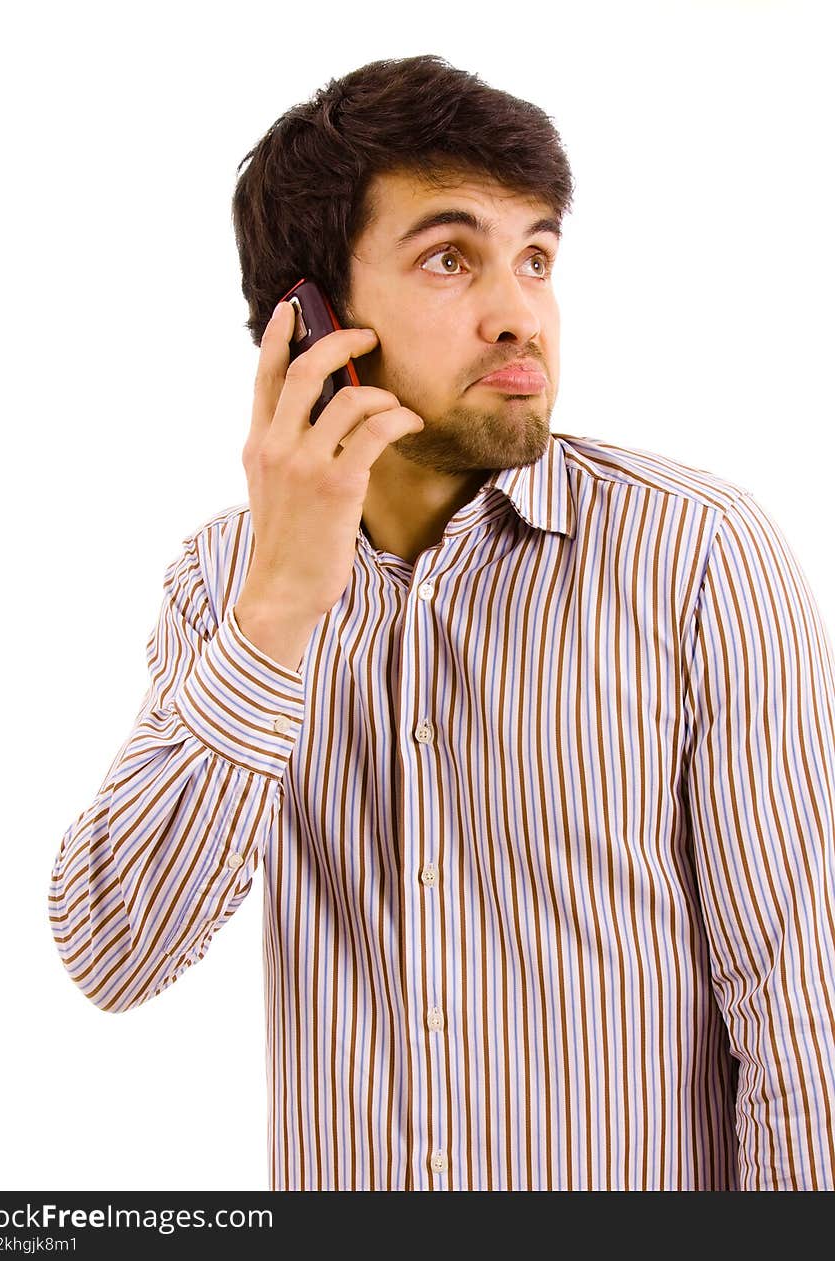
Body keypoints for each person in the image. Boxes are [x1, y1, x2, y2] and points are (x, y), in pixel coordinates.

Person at [48, 53, 835, 1192]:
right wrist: (278, 609)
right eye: (450, 258)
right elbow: (116, 950)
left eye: (536, 258)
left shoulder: (697, 554)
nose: (518, 313)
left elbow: (801, 995)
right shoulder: (226, 579)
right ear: (311, 321)